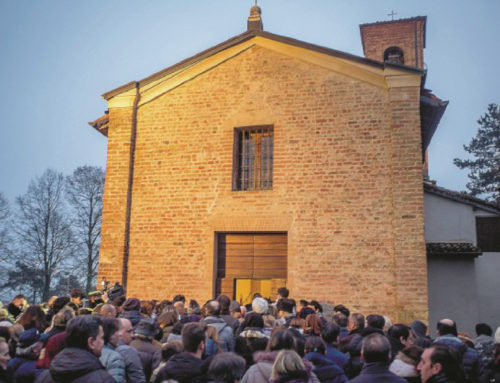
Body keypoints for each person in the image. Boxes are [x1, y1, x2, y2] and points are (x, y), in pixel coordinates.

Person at [35, 316, 115, 382]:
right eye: (101, 338)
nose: (103, 343)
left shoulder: (44, 376)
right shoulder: (103, 379)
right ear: (91, 342)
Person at [115, 318, 146, 383]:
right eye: (129, 331)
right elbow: (137, 379)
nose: (132, 335)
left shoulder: (101, 349)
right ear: (118, 332)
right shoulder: (129, 352)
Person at [100, 318, 126, 383]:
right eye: (116, 330)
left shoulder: (91, 351)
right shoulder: (114, 357)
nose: (119, 334)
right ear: (111, 335)